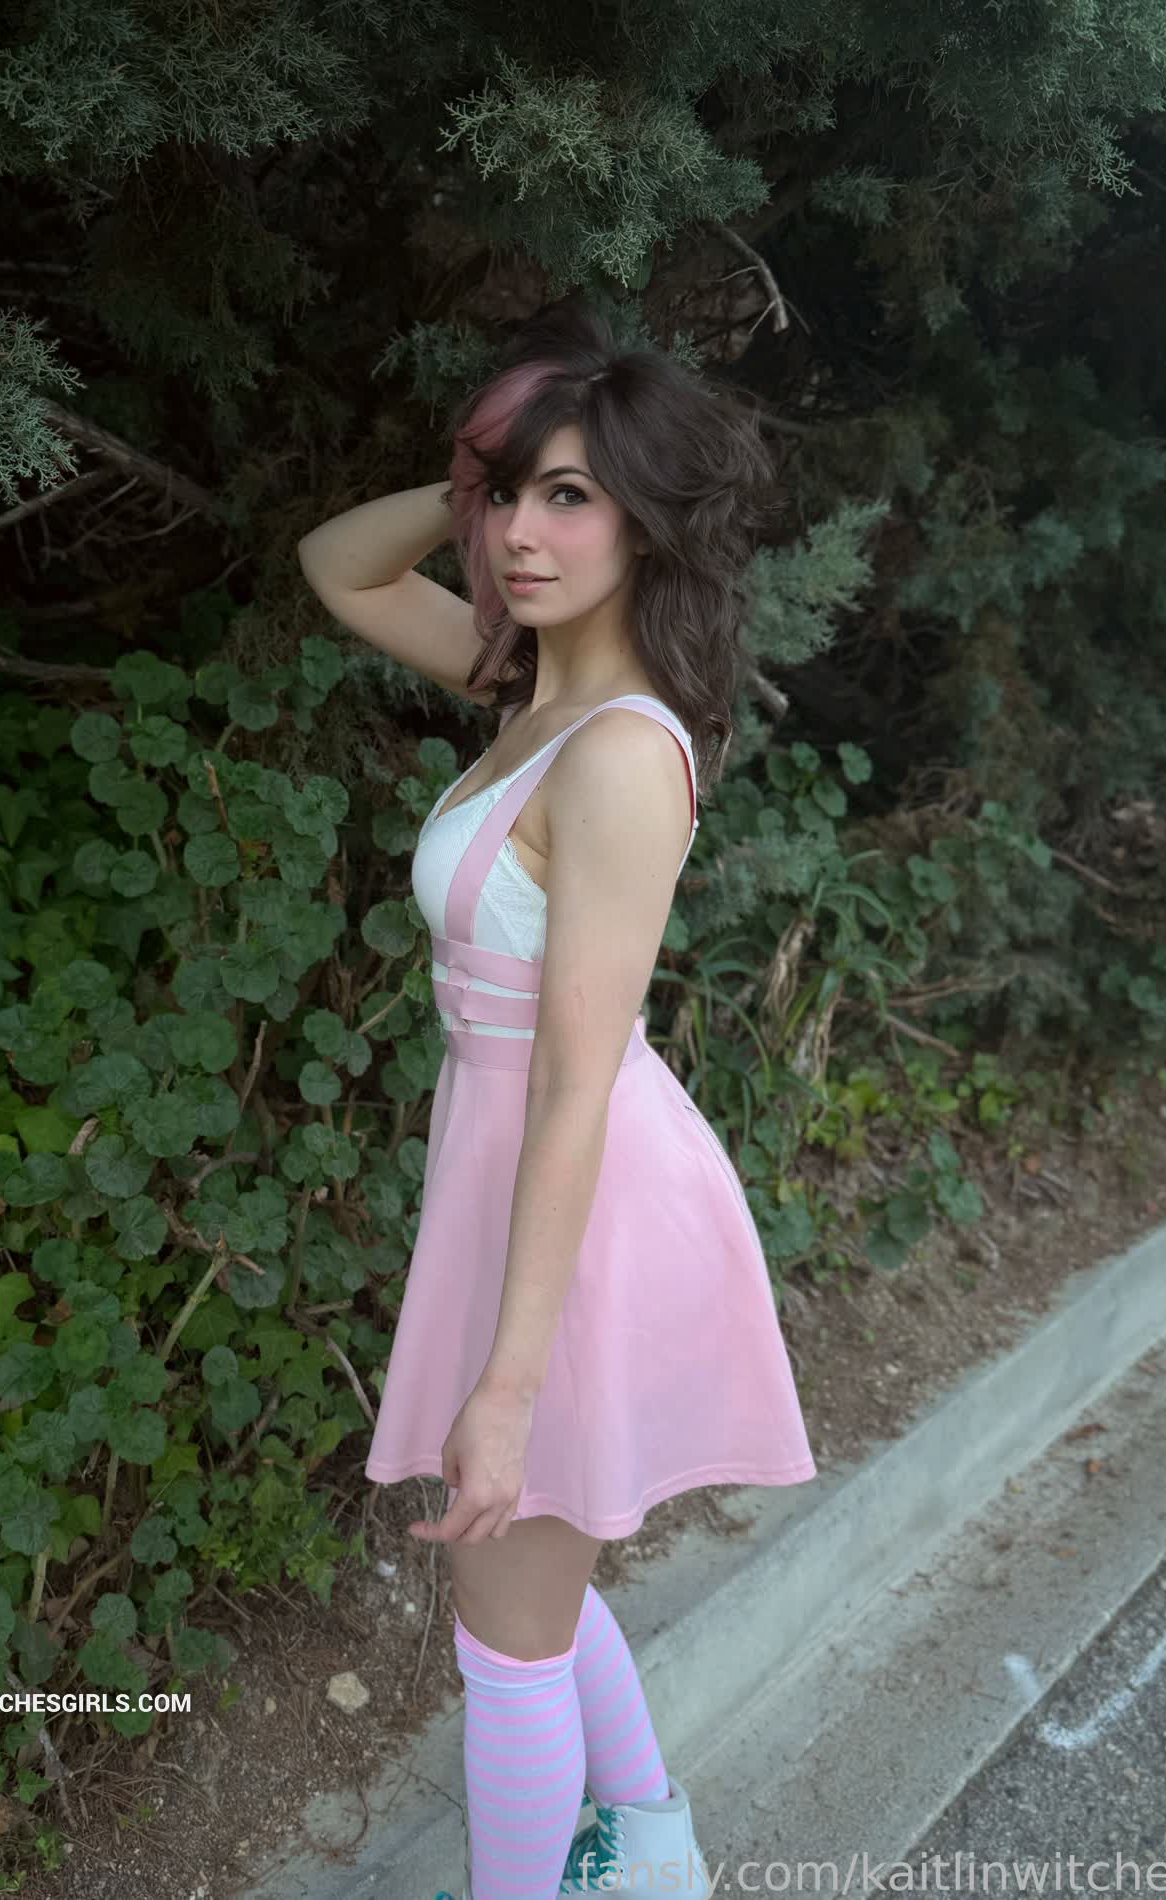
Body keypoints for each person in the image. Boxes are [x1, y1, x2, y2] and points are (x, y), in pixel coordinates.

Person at [295, 293, 817, 1900]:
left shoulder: (616, 755)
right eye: (507, 497)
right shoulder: (528, 693)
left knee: (504, 1634)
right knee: (527, 1589)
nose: (519, 534)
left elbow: (579, 1085)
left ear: (647, 521)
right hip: (506, 1171)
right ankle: (646, 1841)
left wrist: (508, 1386)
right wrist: (477, 468)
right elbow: (338, 566)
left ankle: (612, 1856)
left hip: (576, 1195)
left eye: (569, 496)